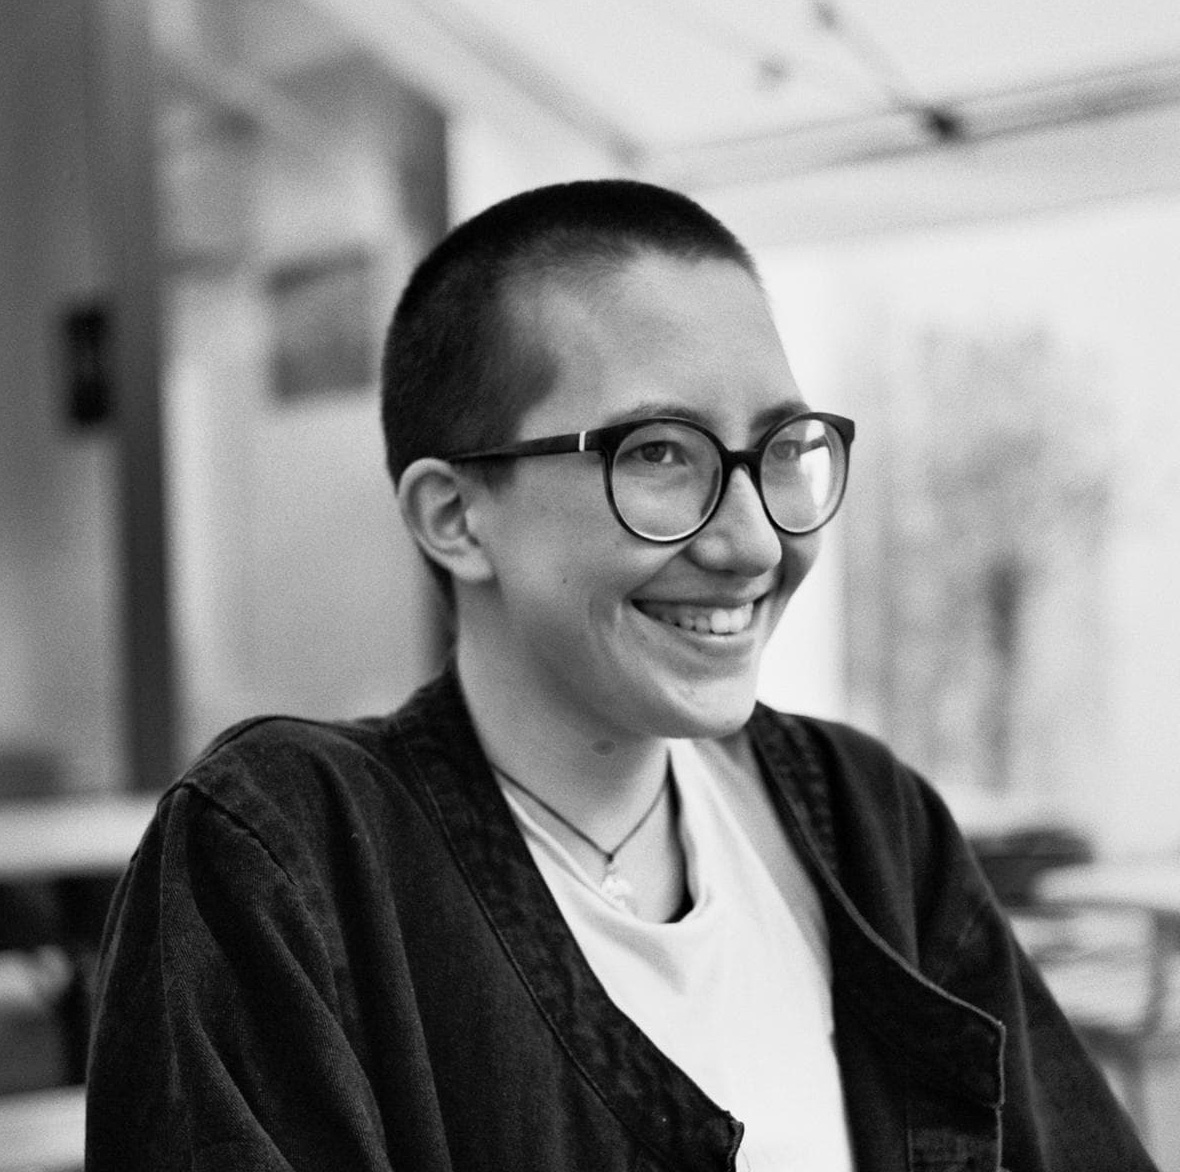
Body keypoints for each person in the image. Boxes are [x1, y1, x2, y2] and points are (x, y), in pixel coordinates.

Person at [85, 179, 1156, 1171]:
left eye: (782, 445)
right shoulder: (293, 856)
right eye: (657, 451)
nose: (751, 540)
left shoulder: (868, 822)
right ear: (456, 515)